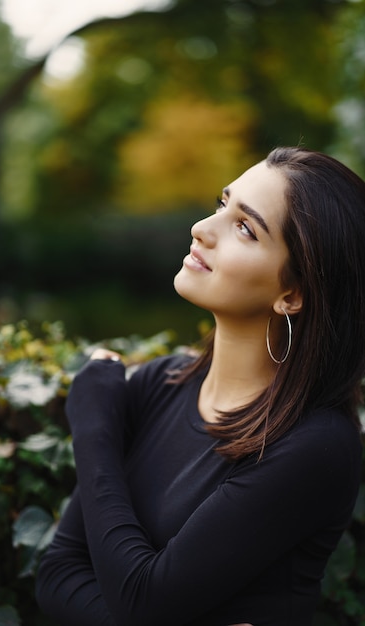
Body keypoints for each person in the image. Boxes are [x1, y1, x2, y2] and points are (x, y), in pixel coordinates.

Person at [35, 147, 365, 626]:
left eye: (244, 228)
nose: (201, 229)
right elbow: (57, 574)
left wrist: (92, 426)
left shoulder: (315, 446)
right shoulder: (157, 384)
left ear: (292, 294)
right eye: (220, 205)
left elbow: (143, 603)